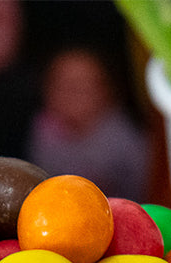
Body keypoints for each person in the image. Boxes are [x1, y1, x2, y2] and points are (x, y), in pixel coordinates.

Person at [27, 45, 149, 199]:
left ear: (107, 91)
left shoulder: (122, 133)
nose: (72, 95)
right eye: (64, 86)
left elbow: (146, 182)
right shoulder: (43, 129)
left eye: (83, 87)